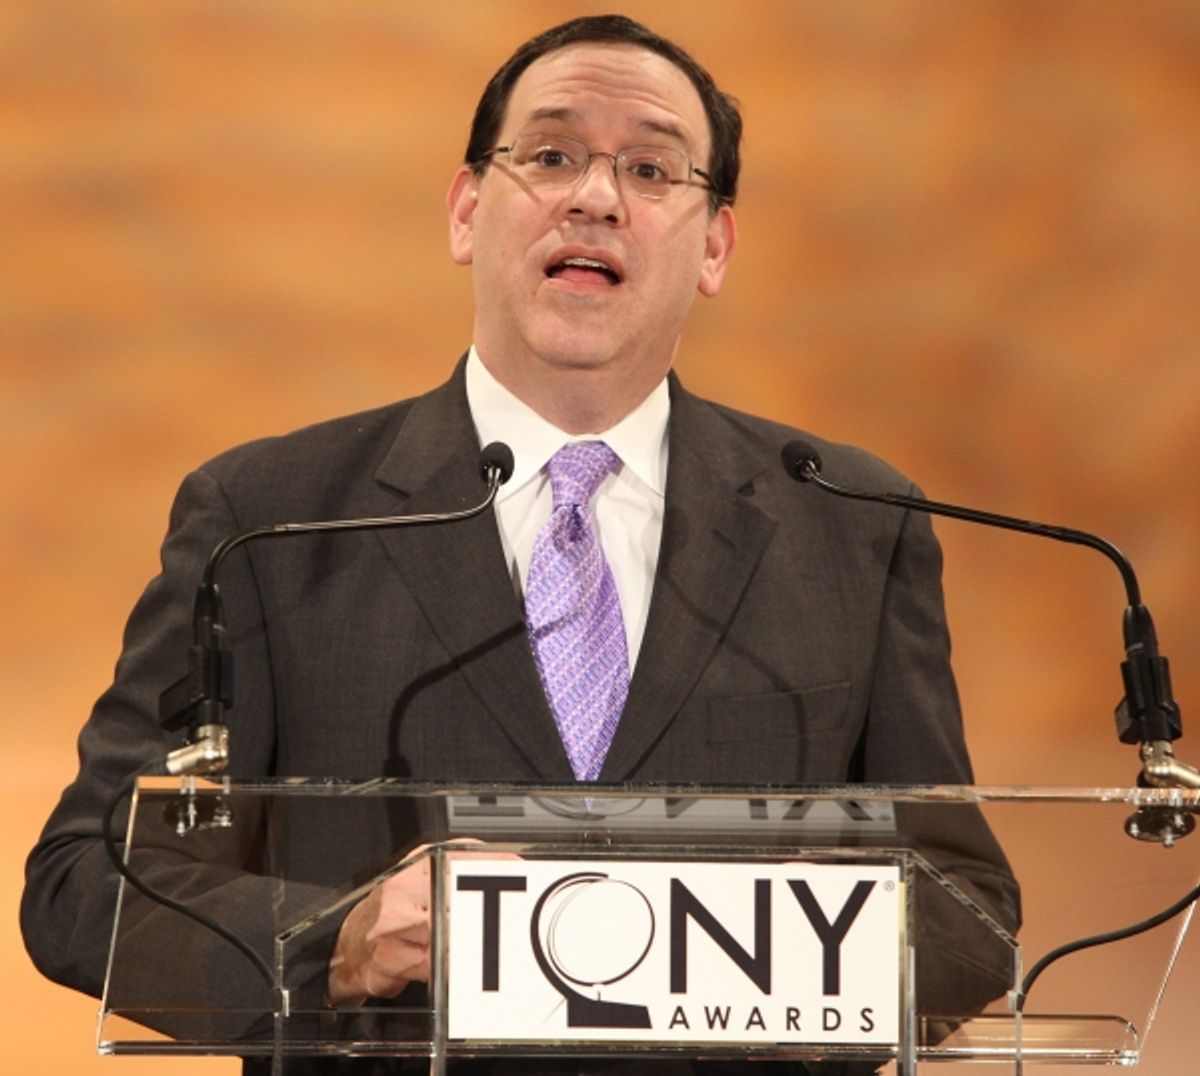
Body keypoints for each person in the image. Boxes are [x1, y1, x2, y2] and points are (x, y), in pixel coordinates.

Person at [22, 14, 1019, 1076]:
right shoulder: (267, 522)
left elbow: (967, 906)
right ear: (466, 211)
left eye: (651, 168)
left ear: (715, 245)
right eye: (549, 155)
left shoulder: (852, 523)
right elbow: (88, 883)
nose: (596, 197)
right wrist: (336, 942)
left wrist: (784, 953)